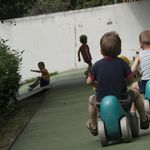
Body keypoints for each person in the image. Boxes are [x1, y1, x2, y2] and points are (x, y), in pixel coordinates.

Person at [86, 31, 150, 136]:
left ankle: (93, 126)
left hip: (100, 102)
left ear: (101, 51)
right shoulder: (122, 63)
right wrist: (124, 82)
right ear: (120, 51)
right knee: (136, 93)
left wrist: (96, 83)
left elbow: (89, 82)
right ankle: (144, 120)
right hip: (123, 100)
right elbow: (131, 81)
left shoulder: (97, 65)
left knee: (90, 99)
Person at [131, 30, 150, 112]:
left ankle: (132, 111)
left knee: (134, 87)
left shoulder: (140, 55)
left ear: (140, 45)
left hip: (145, 83)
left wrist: (138, 72)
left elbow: (133, 70)